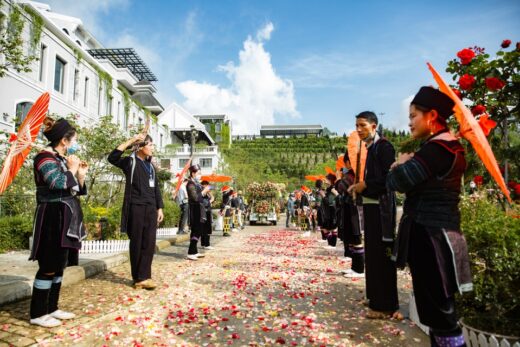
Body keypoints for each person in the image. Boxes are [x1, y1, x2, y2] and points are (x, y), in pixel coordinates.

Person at [388, 86, 472, 347]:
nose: (410, 122)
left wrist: (400, 163)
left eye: (413, 116)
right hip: (441, 233)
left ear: (432, 115)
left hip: (431, 236)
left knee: (440, 311)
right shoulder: (448, 148)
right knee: (439, 309)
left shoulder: (437, 149)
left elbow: (397, 181)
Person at [29, 118, 88, 327]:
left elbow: (73, 189)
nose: (75, 144)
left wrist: (80, 176)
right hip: (51, 217)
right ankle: (37, 313)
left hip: (67, 216)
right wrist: (71, 170)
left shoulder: (60, 158)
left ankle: (52, 308)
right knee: (48, 265)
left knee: (59, 266)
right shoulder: (43, 158)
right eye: (73, 140)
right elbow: (57, 183)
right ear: (64, 140)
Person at [348, 111, 399, 319]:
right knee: (373, 256)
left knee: (381, 257)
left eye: (362, 125)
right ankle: (374, 298)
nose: (359, 130)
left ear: (374, 126)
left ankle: (385, 305)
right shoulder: (371, 148)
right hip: (371, 207)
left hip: (381, 209)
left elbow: (388, 178)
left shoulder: (384, 147)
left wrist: (365, 185)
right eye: (357, 126)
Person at [108, 133, 164, 290]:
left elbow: (156, 189)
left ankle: (145, 276)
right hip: (136, 207)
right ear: (141, 146)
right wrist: (132, 140)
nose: (153, 147)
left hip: (151, 208)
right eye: (150, 144)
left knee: (149, 243)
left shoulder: (150, 166)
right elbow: (112, 157)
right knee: (137, 243)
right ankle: (138, 278)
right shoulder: (130, 162)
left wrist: (159, 207)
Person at [186, 164, 210, 260]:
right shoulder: (190, 184)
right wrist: (204, 191)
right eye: (198, 173)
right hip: (195, 209)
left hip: (200, 208)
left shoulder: (197, 184)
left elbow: (201, 196)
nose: (200, 175)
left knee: (198, 230)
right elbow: (195, 198)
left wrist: (206, 192)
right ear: (193, 173)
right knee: (197, 230)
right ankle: (190, 252)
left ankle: (194, 251)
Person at [321, 173, 338, 249]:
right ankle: (331, 243)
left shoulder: (332, 189)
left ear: (330, 180)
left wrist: (323, 196)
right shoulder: (329, 189)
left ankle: (332, 244)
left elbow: (329, 202)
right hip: (328, 211)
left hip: (332, 210)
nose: (325, 181)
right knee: (326, 228)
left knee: (332, 227)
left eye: (326, 179)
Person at [200, 180, 215, 250]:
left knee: (205, 228)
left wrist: (210, 194)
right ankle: (206, 244)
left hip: (207, 210)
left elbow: (212, 199)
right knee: (206, 227)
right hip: (205, 211)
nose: (208, 187)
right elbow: (204, 202)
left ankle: (203, 243)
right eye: (207, 185)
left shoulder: (207, 192)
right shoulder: (202, 192)